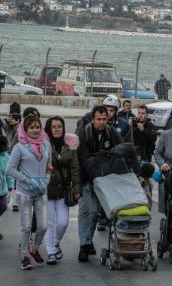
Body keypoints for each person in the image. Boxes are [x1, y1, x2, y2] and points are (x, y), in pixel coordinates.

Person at [76, 105, 124, 262]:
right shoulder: (83, 133)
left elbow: (121, 150)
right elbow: (84, 160)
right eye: (99, 119)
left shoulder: (111, 133)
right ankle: (84, 246)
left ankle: (87, 241)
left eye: (104, 119)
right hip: (85, 179)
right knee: (85, 211)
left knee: (95, 212)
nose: (102, 122)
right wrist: (104, 158)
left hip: (103, 181)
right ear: (93, 119)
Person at [6, 115, 52, 270]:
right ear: (25, 129)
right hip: (25, 192)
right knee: (26, 227)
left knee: (43, 226)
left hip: (41, 192)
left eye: (37, 127)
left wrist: (46, 181)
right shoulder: (19, 147)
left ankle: (35, 249)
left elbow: (49, 167)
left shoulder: (46, 144)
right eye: (31, 127)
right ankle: (24, 256)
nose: (35, 130)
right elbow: (9, 169)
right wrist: (27, 180)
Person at [44, 116, 80, 265]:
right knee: (49, 223)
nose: (57, 129)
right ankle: (51, 252)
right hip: (46, 190)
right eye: (53, 127)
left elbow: (75, 169)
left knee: (63, 223)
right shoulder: (44, 144)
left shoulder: (70, 146)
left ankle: (56, 242)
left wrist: (77, 188)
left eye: (59, 126)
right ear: (49, 129)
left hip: (63, 190)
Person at [4, 106, 21, 212]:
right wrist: (6, 121)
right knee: (8, 178)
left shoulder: (20, 130)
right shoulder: (7, 126)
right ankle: (8, 196)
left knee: (16, 180)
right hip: (6, 154)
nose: (12, 120)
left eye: (15, 118)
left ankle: (15, 202)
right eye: (11, 118)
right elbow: (1, 127)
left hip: (16, 157)